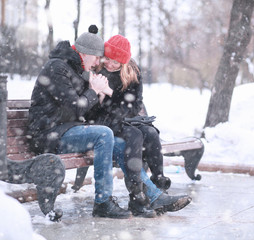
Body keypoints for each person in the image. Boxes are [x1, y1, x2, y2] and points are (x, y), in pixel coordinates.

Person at [28, 25, 131, 220]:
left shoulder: (76, 70)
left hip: (64, 130)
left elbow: (85, 109)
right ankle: (103, 202)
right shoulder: (57, 68)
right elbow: (74, 107)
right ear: (86, 53)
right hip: (47, 135)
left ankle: (141, 193)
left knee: (118, 141)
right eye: (97, 57)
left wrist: (101, 93)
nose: (98, 62)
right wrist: (93, 90)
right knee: (104, 134)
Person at [88, 34, 191, 216]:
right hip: (103, 123)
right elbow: (95, 109)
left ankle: (158, 188)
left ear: (124, 62)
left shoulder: (131, 72)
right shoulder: (97, 71)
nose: (111, 64)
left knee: (150, 133)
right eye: (108, 60)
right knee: (134, 136)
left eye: (116, 62)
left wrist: (110, 93)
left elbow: (134, 107)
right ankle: (138, 198)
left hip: (125, 119)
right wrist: (110, 99)